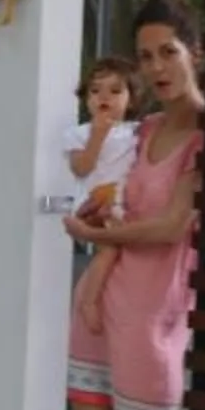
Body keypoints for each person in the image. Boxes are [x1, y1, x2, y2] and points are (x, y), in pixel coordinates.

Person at [53, 0, 205, 410]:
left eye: (167, 51)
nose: (156, 66)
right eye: (145, 56)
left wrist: (94, 231)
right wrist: (91, 269)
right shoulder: (139, 135)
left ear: (194, 52)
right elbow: (115, 219)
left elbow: (174, 226)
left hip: (155, 313)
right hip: (102, 300)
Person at [62, 56, 143, 342]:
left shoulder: (138, 131)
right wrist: (97, 135)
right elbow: (81, 167)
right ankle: (88, 301)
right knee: (108, 250)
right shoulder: (78, 133)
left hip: (126, 202)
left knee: (125, 250)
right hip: (96, 201)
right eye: (95, 91)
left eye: (115, 90)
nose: (104, 97)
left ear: (131, 98)